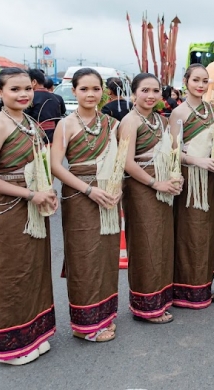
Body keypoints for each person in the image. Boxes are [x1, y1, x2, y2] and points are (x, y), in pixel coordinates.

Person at [0, 67, 59, 366]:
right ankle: (10, 346)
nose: (23, 94)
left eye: (27, 89)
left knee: (34, 270)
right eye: (15, 89)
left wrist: (45, 191)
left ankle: (32, 334)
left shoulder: (28, 122)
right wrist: (30, 194)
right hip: (10, 208)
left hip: (35, 204)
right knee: (10, 275)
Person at [51, 68, 122, 343]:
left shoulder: (112, 124)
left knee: (106, 256)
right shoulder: (65, 125)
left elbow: (119, 162)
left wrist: (116, 189)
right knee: (84, 258)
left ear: (103, 91)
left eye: (95, 89)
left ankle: (103, 316)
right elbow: (56, 166)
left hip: (108, 196)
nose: (90, 94)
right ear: (74, 91)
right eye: (84, 89)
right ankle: (85, 325)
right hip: (80, 197)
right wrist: (88, 190)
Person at [120, 72, 181, 324]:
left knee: (161, 243)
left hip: (164, 188)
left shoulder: (161, 120)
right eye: (144, 90)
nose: (150, 95)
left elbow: (173, 152)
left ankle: (160, 299)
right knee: (145, 245)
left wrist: (175, 177)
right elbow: (126, 162)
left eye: (155, 90)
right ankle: (146, 306)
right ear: (134, 93)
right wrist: (155, 183)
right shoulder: (129, 121)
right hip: (141, 189)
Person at [169, 64, 214, 309]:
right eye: (196, 80)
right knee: (187, 233)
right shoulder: (178, 113)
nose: (201, 85)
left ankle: (204, 286)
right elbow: (173, 153)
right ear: (186, 81)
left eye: (205, 81)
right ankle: (184, 289)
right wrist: (198, 161)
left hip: (209, 179)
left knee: (206, 233)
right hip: (188, 180)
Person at [25, 69, 63, 143]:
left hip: (34, 137)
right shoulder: (56, 98)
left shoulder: (30, 97)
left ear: (34, 82)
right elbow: (59, 116)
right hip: (53, 137)